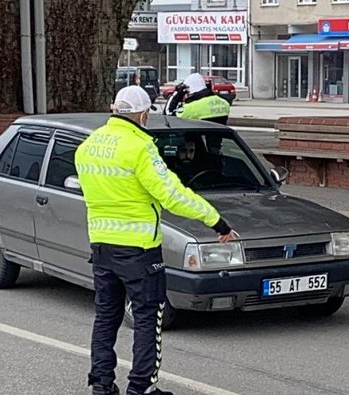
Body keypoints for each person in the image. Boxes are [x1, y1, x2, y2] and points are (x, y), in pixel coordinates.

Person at [75, 85, 237, 395]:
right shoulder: (140, 148)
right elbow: (173, 196)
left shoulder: (88, 146)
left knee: (106, 316)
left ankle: (101, 384)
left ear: (114, 109)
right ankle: (142, 387)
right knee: (148, 318)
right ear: (143, 114)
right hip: (139, 251)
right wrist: (216, 220)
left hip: (101, 246)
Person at [163, 73, 230, 125]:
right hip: (216, 141)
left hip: (200, 141)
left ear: (189, 90)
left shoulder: (191, 108)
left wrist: (177, 94)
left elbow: (168, 115)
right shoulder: (224, 103)